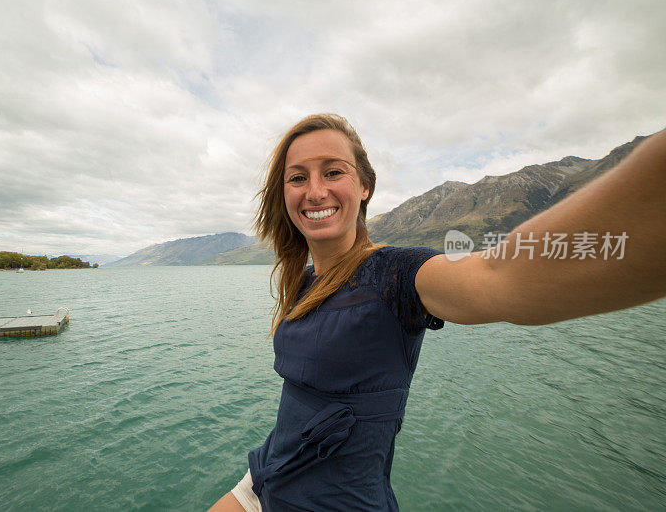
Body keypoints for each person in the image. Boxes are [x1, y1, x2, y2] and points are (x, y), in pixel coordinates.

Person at [209, 114, 666, 511]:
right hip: (265, 482)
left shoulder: (395, 276)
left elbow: (496, 277)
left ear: (364, 186)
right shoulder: (302, 283)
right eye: (297, 177)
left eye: (333, 171)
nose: (315, 190)